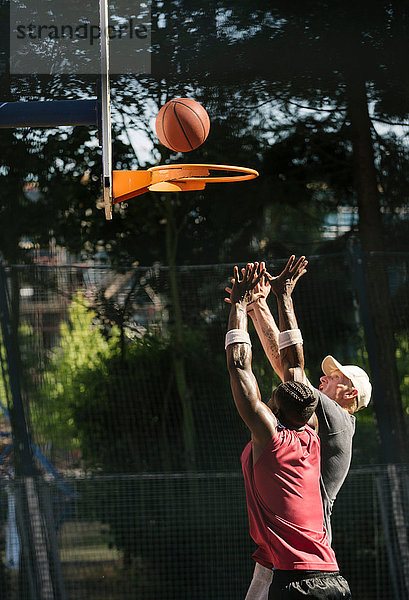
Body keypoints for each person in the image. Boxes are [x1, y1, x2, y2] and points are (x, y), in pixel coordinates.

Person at [231, 257, 371, 599]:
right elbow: (289, 368)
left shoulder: (337, 421)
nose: (324, 377)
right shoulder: (310, 427)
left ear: (349, 393)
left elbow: (290, 369)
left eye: (334, 377)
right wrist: (259, 305)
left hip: (300, 556)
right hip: (282, 551)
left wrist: (257, 304)